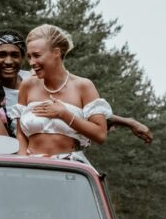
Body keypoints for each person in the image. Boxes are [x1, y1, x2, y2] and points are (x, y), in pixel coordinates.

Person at [0, 27, 153, 143]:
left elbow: (78, 109)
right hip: (10, 153)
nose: (8, 61)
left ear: (22, 58)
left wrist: (129, 123)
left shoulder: (33, 80)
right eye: (2, 55)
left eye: (15, 55)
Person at [14, 23, 112, 157]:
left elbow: (100, 135)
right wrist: (23, 162)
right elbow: (20, 134)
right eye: (29, 57)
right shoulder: (27, 86)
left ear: (56, 52)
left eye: (37, 55)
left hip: (68, 168)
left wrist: (64, 114)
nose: (31, 62)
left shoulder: (83, 86)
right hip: (32, 166)